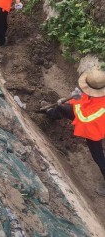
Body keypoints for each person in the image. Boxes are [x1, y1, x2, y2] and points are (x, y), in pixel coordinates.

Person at [43, 68, 105, 196]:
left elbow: (85, 118)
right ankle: (52, 113)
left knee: (98, 156)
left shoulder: (100, 109)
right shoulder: (99, 88)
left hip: (94, 128)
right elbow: (88, 100)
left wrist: (75, 101)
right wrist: (74, 99)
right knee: (63, 109)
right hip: (91, 115)